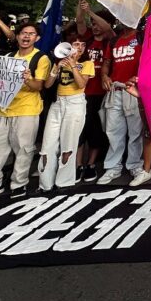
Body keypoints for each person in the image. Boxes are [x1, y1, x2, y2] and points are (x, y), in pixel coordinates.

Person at [0, 22, 50, 202]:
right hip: (4, 108)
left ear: (37, 38)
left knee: (24, 149)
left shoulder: (41, 58)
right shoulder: (9, 57)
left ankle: (19, 184)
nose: (26, 36)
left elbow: (39, 86)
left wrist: (28, 79)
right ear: (17, 36)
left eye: (31, 33)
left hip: (27, 109)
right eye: (23, 33)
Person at [38, 33, 93, 192]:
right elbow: (47, 85)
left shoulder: (87, 63)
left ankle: (64, 182)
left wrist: (74, 65)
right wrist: (56, 69)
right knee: (48, 144)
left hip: (75, 103)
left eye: (83, 45)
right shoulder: (59, 62)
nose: (79, 47)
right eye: (76, 44)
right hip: (57, 103)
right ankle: (45, 184)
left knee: (69, 144)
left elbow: (81, 84)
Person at [99, 22, 148, 185]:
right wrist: (104, 76)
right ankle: (113, 167)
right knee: (113, 131)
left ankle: (135, 165)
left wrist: (140, 78)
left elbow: (150, 60)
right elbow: (106, 63)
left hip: (133, 90)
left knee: (136, 131)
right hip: (115, 90)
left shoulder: (142, 37)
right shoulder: (114, 40)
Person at [75, 0, 113, 183]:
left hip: (100, 93)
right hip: (81, 92)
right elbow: (79, 21)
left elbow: (108, 29)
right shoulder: (87, 39)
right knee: (80, 130)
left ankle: (91, 164)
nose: (95, 26)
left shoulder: (109, 40)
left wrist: (91, 11)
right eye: (93, 23)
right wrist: (81, 3)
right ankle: (77, 165)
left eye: (98, 23)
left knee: (96, 130)